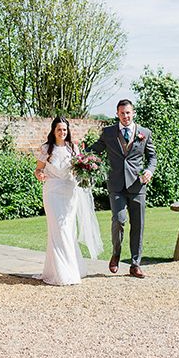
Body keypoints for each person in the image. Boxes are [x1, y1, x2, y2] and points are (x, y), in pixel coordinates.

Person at [89, 99, 157, 279]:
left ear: (133, 112)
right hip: (116, 185)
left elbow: (152, 157)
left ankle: (135, 264)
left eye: (128, 113)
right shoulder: (109, 132)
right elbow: (94, 151)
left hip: (137, 185)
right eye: (122, 113)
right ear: (117, 114)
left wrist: (149, 171)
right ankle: (116, 254)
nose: (125, 116)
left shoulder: (145, 133)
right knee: (118, 220)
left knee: (138, 225)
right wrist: (80, 157)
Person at [33, 116, 103, 286]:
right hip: (52, 191)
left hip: (70, 192)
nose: (62, 132)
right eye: (59, 129)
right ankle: (62, 273)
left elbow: (79, 168)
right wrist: (40, 175)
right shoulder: (46, 148)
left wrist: (87, 171)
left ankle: (61, 269)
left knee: (67, 229)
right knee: (59, 229)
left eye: (65, 129)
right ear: (53, 131)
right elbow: (38, 169)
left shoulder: (74, 148)